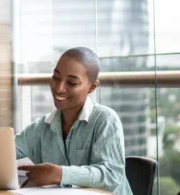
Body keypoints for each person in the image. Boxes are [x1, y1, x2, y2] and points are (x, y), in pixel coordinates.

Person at [16, 47, 133, 194]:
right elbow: (7, 152)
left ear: (92, 87)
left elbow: (112, 174)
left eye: (71, 83)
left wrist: (59, 174)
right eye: (56, 77)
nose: (59, 88)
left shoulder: (105, 119)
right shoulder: (42, 128)